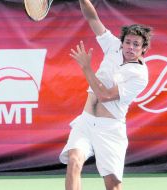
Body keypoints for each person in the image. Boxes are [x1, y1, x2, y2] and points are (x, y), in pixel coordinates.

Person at [59, 0, 152, 190]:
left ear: (143, 49)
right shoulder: (114, 46)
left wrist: (86, 67)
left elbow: (105, 95)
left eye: (136, 44)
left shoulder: (140, 75)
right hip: (86, 121)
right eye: (128, 42)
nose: (130, 47)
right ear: (122, 42)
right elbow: (92, 18)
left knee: (113, 185)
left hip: (110, 129)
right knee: (74, 161)